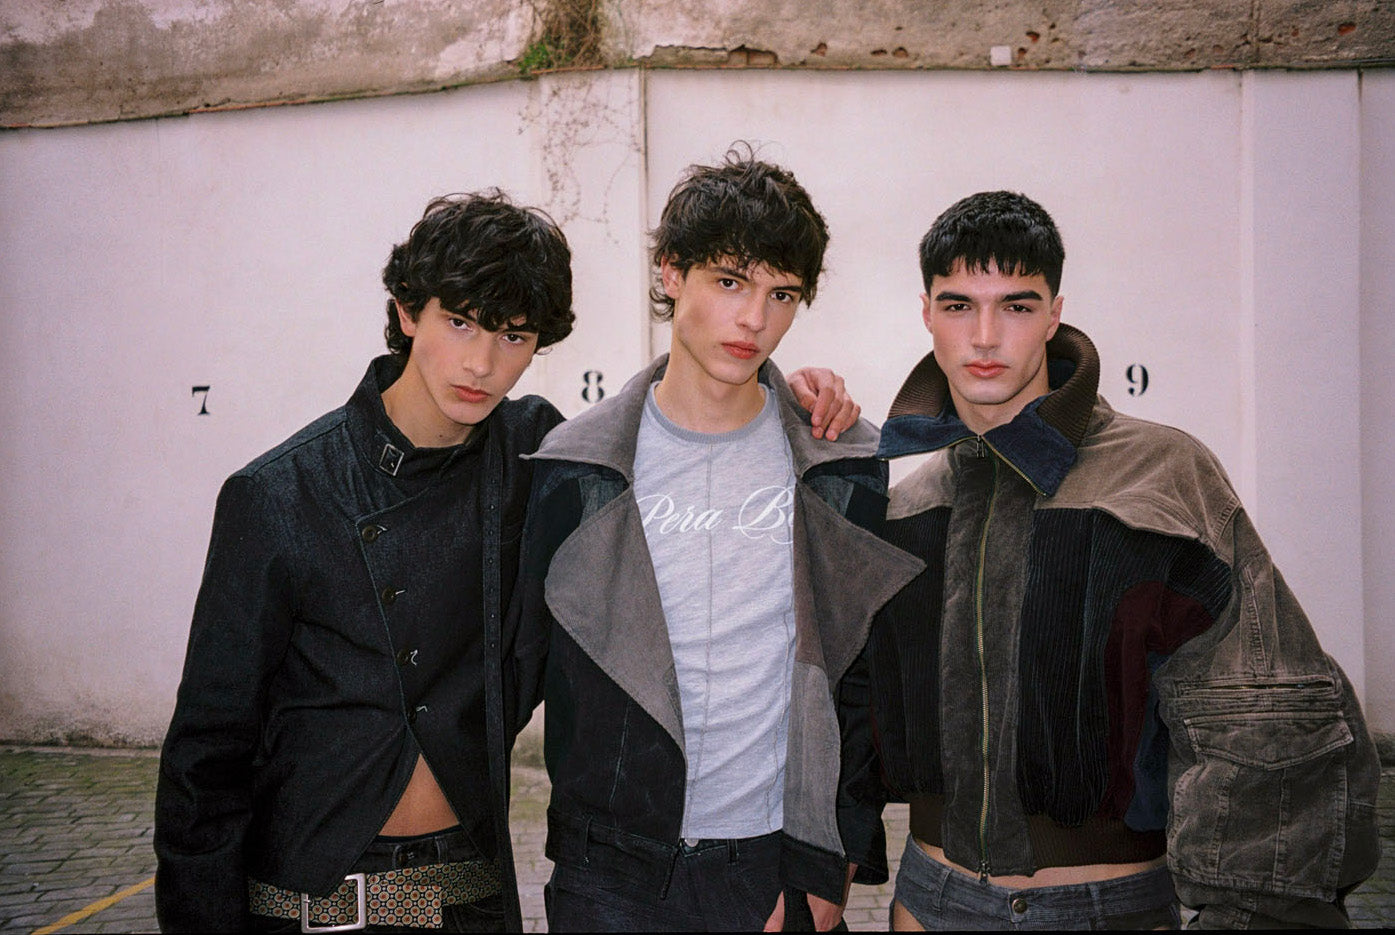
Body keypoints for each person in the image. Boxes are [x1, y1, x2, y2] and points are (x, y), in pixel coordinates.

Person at [154, 189, 857, 934]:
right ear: (407, 312)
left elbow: (665, 416)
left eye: (513, 336)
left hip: (472, 895)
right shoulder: (280, 493)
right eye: (459, 322)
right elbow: (207, 752)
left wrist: (792, 397)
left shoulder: (541, 460)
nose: (482, 363)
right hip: (307, 902)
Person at [866, 190, 1381, 929]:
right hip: (928, 901)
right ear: (926, 314)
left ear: (1054, 313)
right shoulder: (908, 503)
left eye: (1015, 305)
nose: (984, 335)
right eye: (957, 305)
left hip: (1106, 907)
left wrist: (1259, 907)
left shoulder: (1161, 474)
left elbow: (1263, 706)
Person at [512, 148, 925, 932]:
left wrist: (833, 860)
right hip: (610, 877)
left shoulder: (839, 466)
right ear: (671, 273)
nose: (754, 318)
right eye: (730, 282)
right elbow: (524, 666)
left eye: (780, 294)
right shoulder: (577, 468)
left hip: (771, 870)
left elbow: (863, 675)